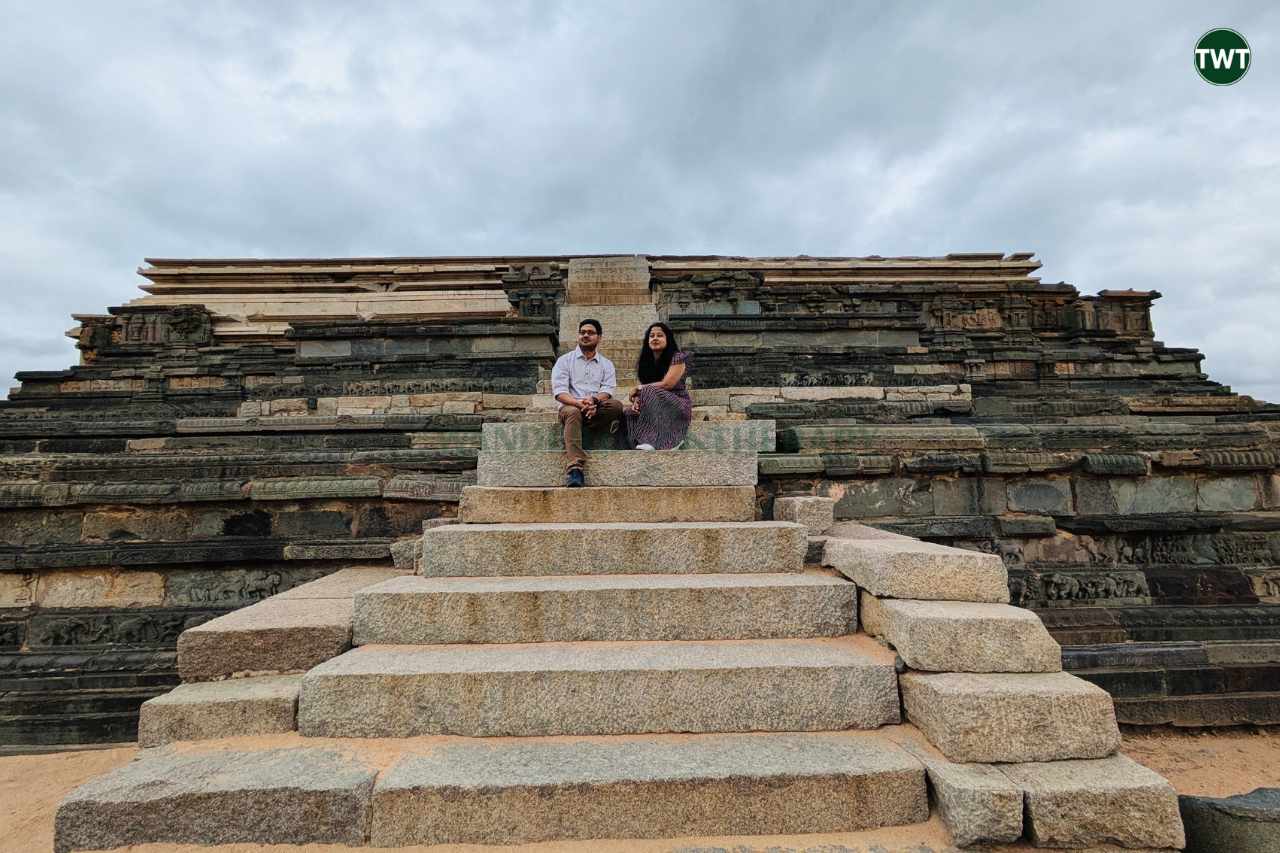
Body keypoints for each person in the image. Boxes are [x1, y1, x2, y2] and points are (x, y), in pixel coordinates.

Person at [550, 318, 624, 487]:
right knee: (573, 413)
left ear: (599, 337)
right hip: (570, 407)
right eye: (582, 332)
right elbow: (560, 392)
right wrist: (579, 404)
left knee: (616, 406)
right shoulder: (564, 361)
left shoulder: (606, 364)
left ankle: (583, 424)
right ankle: (575, 468)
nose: (585, 335)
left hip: (594, 408)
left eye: (590, 333)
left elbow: (607, 390)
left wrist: (593, 400)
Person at [625, 322, 692, 451]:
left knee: (648, 389)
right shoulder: (645, 362)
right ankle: (636, 445)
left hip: (677, 404)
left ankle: (659, 442)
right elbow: (647, 391)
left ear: (668, 339)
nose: (655, 338)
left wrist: (640, 388)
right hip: (656, 404)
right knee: (629, 412)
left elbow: (668, 384)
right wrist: (638, 401)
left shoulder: (678, 358)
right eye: (651, 336)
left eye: (660, 335)